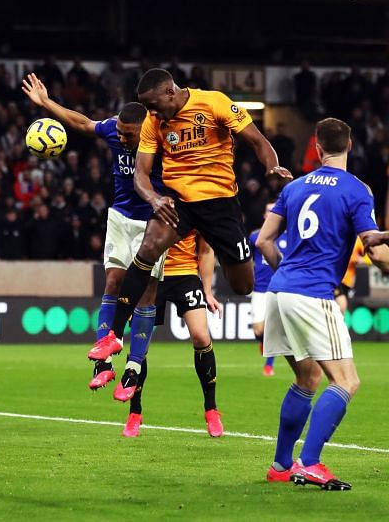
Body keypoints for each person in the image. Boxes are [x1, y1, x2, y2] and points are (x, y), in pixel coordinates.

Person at [105, 68, 292, 398]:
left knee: (243, 284)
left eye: (154, 105)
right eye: (146, 107)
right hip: (180, 204)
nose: (152, 113)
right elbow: (142, 175)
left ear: (170, 92)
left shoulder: (213, 103)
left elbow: (258, 141)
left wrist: (271, 165)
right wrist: (153, 198)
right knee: (147, 248)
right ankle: (114, 335)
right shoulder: (153, 122)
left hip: (220, 206)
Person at [257, 118, 389, 490]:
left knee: (307, 377)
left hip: (280, 292)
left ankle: (282, 465)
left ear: (316, 148)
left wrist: (288, 276)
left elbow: (265, 241)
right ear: (351, 146)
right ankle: (310, 462)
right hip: (313, 294)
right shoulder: (357, 189)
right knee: (346, 381)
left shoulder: (295, 187)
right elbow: (375, 251)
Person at [21, 73, 166, 393]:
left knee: (146, 291)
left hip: (154, 221)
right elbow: (83, 123)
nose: (122, 140)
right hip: (120, 216)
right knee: (113, 281)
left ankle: (134, 366)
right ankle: (104, 363)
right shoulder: (116, 129)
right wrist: (46, 103)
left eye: (129, 136)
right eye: (120, 134)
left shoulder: (160, 137)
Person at [123, 231, 224, 437]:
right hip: (150, 275)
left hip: (185, 275)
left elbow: (206, 249)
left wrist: (207, 292)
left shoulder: (196, 203)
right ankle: (135, 412)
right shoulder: (153, 202)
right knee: (140, 345)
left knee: (201, 337)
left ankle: (211, 410)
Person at [249, 202, 288, 377]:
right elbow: (247, 260)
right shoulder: (255, 237)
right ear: (265, 215)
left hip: (279, 289)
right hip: (259, 288)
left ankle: (269, 365)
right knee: (258, 330)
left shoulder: (289, 237)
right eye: (268, 211)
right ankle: (264, 343)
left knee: (273, 328)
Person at [334, 238, 366, 313]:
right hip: (337, 277)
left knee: (342, 308)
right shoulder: (339, 235)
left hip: (348, 281)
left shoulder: (359, 239)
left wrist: (361, 259)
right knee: (342, 304)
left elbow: (368, 256)